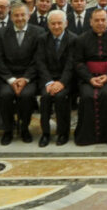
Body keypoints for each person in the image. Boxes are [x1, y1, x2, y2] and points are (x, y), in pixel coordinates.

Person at [0, 4, 45, 145]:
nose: (20, 18)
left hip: (29, 77)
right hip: (7, 77)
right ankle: (8, 130)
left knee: (27, 96)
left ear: (29, 16)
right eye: (16, 15)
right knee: (5, 96)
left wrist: (26, 78)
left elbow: (38, 58)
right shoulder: (1, 33)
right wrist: (10, 79)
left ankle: (24, 128)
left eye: (23, 15)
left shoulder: (39, 32)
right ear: (11, 16)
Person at [74, 8, 107, 146]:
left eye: (103, 20)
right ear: (90, 22)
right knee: (86, 96)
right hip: (88, 78)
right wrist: (89, 78)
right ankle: (87, 136)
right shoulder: (81, 39)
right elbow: (78, 62)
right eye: (96, 20)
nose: (100, 23)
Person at [37, 9, 77, 146]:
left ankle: (63, 133)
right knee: (45, 98)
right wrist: (49, 82)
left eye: (59, 23)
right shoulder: (42, 39)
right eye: (53, 23)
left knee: (61, 98)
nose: (56, 26)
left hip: (66, 80)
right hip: (48, 80)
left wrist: (61, 82)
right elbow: (40, 62)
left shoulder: (73, 39)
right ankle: (45, 133)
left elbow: (71, 64)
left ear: (66, 23)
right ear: (48, 25)